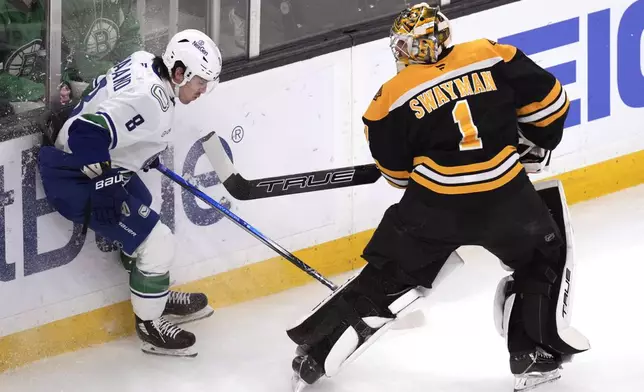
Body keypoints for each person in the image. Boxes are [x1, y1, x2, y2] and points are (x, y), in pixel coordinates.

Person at [286, 3, 590, 391]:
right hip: (507, 198)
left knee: (388, 278)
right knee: (542, 260)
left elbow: (398, 175)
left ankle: (315, 356)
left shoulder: (388, 98)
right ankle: (532, 357)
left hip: (435, 207)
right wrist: (533, 143)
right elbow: (551, 105)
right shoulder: (493, 54)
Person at [37, 29, 223, 357]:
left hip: (83, 165)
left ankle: (154, 293)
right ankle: (150, 325)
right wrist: (103, 187)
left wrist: (138, 152)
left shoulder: (144, 62)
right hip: (73, 178)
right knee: (159, 240)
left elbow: (112, 113)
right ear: (180, 73)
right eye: (200, 82)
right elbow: (84, 134)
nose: (203, 90)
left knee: (145, 204)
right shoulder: (152, 102)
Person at [59, 0, 144, 105]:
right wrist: (116, 72)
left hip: (107, 78)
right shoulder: (69, 4)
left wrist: (138, 66)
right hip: (73, 82)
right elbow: (75, 55)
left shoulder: (118, 3)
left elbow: (129, 40)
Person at [0, 0, 46, 116]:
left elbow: (44, 56)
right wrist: (39, 90)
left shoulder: (39, 8)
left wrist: (59, 85)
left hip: (29, 90)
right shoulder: (3, 11)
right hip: (6, 101)